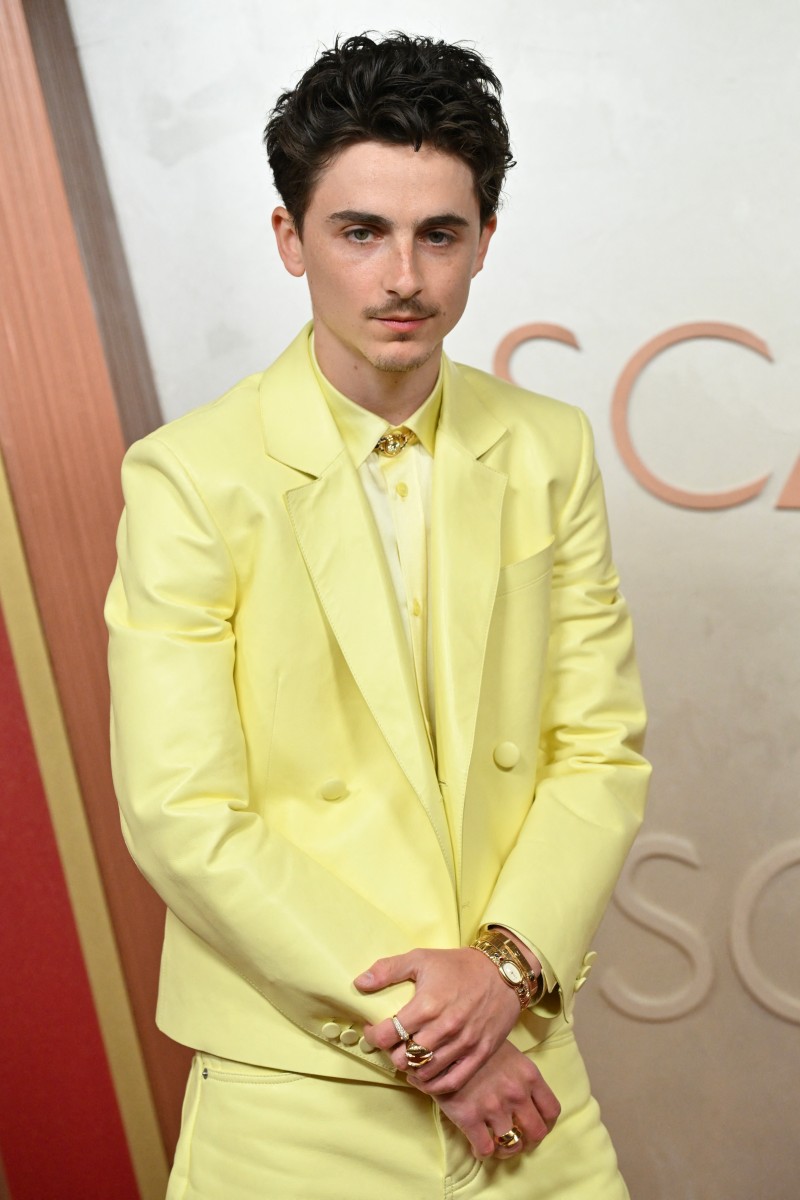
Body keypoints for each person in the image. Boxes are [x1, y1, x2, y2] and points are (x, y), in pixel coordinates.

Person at [106, 31, 650, 1200]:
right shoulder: (190, 476)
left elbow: (597, 746)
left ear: (482, 245)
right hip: (295, 1082)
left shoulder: (545, 449)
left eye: (436, 233)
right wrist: (430, 1034)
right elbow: (181, 811)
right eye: (360, 231)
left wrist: (503, 974)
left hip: (520, 1054)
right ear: (289, 239)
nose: (401, 275)